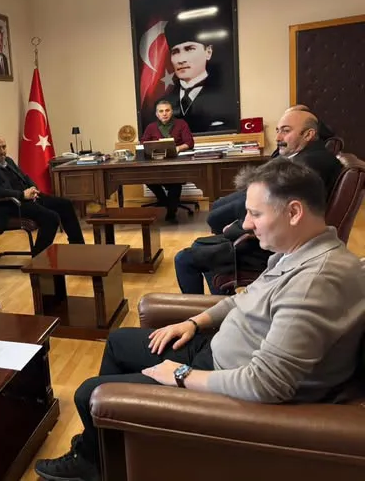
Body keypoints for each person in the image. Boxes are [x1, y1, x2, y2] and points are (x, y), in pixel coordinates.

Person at [35, 159, 365, 481]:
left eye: (255, 214)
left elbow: (265, 384)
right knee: (118, 343)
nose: (246, 224)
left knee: (89, 393)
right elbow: (242, 299)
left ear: (293, 212)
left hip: (229, 385)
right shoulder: (298, 252)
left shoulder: (315, 283)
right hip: (218, 352)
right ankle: (101, 455)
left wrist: (181, 375)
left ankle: (104, 453)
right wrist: (194, 323)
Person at [176, 107, 344, 295]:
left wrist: (237, 227)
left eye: (286, 131)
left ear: (308, 134)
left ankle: (212, 305)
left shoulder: (310, 165)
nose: (278, 137)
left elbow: (277, 210)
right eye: (278, 130)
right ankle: (222, 299)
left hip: (272, 245)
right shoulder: (312, 156)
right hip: (277, 238)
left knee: (184, 258)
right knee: (201, 245)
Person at [0, 135, 85, 255]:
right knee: (51, 218)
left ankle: (78, 248)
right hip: (12, 204)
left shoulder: (8, 160)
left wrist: (33, 189)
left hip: (27, 198)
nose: (2, 151)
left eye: (4, 147)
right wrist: (22, 195)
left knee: (65, 204)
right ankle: (38, 257)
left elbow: (24, 177)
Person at [158, 17, 236, 134]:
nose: (181, 60)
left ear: (208, 52)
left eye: (189, 49)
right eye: (175, 52)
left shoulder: (227, 99)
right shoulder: (162, 102)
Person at [140, 99, 195, 223]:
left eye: (167, 110)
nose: (164, 113)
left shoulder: (181, 124)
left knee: (175, 183)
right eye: (161, 111)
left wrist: (178, 148)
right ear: (157, 114)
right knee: (147, 178)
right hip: (156, 164)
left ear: (172, 112)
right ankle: (164, 201)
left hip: (176, 164)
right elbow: (143, 142)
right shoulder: (151, 127)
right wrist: (153, 146)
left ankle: (171, 212)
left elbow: (189, 142)